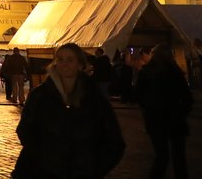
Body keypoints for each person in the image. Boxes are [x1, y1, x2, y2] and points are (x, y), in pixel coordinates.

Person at [12, 43, 124, 179]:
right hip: (42, 173)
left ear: (80, 65)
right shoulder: (40, 95)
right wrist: (43, 159)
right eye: (60, 59)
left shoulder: (94, 97)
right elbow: (25, 130)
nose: (64, 64)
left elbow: (114, 139)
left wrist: (94, 169)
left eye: (70, 60)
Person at [136, 44, 192, 179]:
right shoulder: (176, 72)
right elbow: (188, 98)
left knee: (161, 156)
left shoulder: (145, 72)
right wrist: (181, 112)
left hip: (155, 120)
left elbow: (138, 96)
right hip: (175, 119)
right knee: (179, 157)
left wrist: (148, 110)